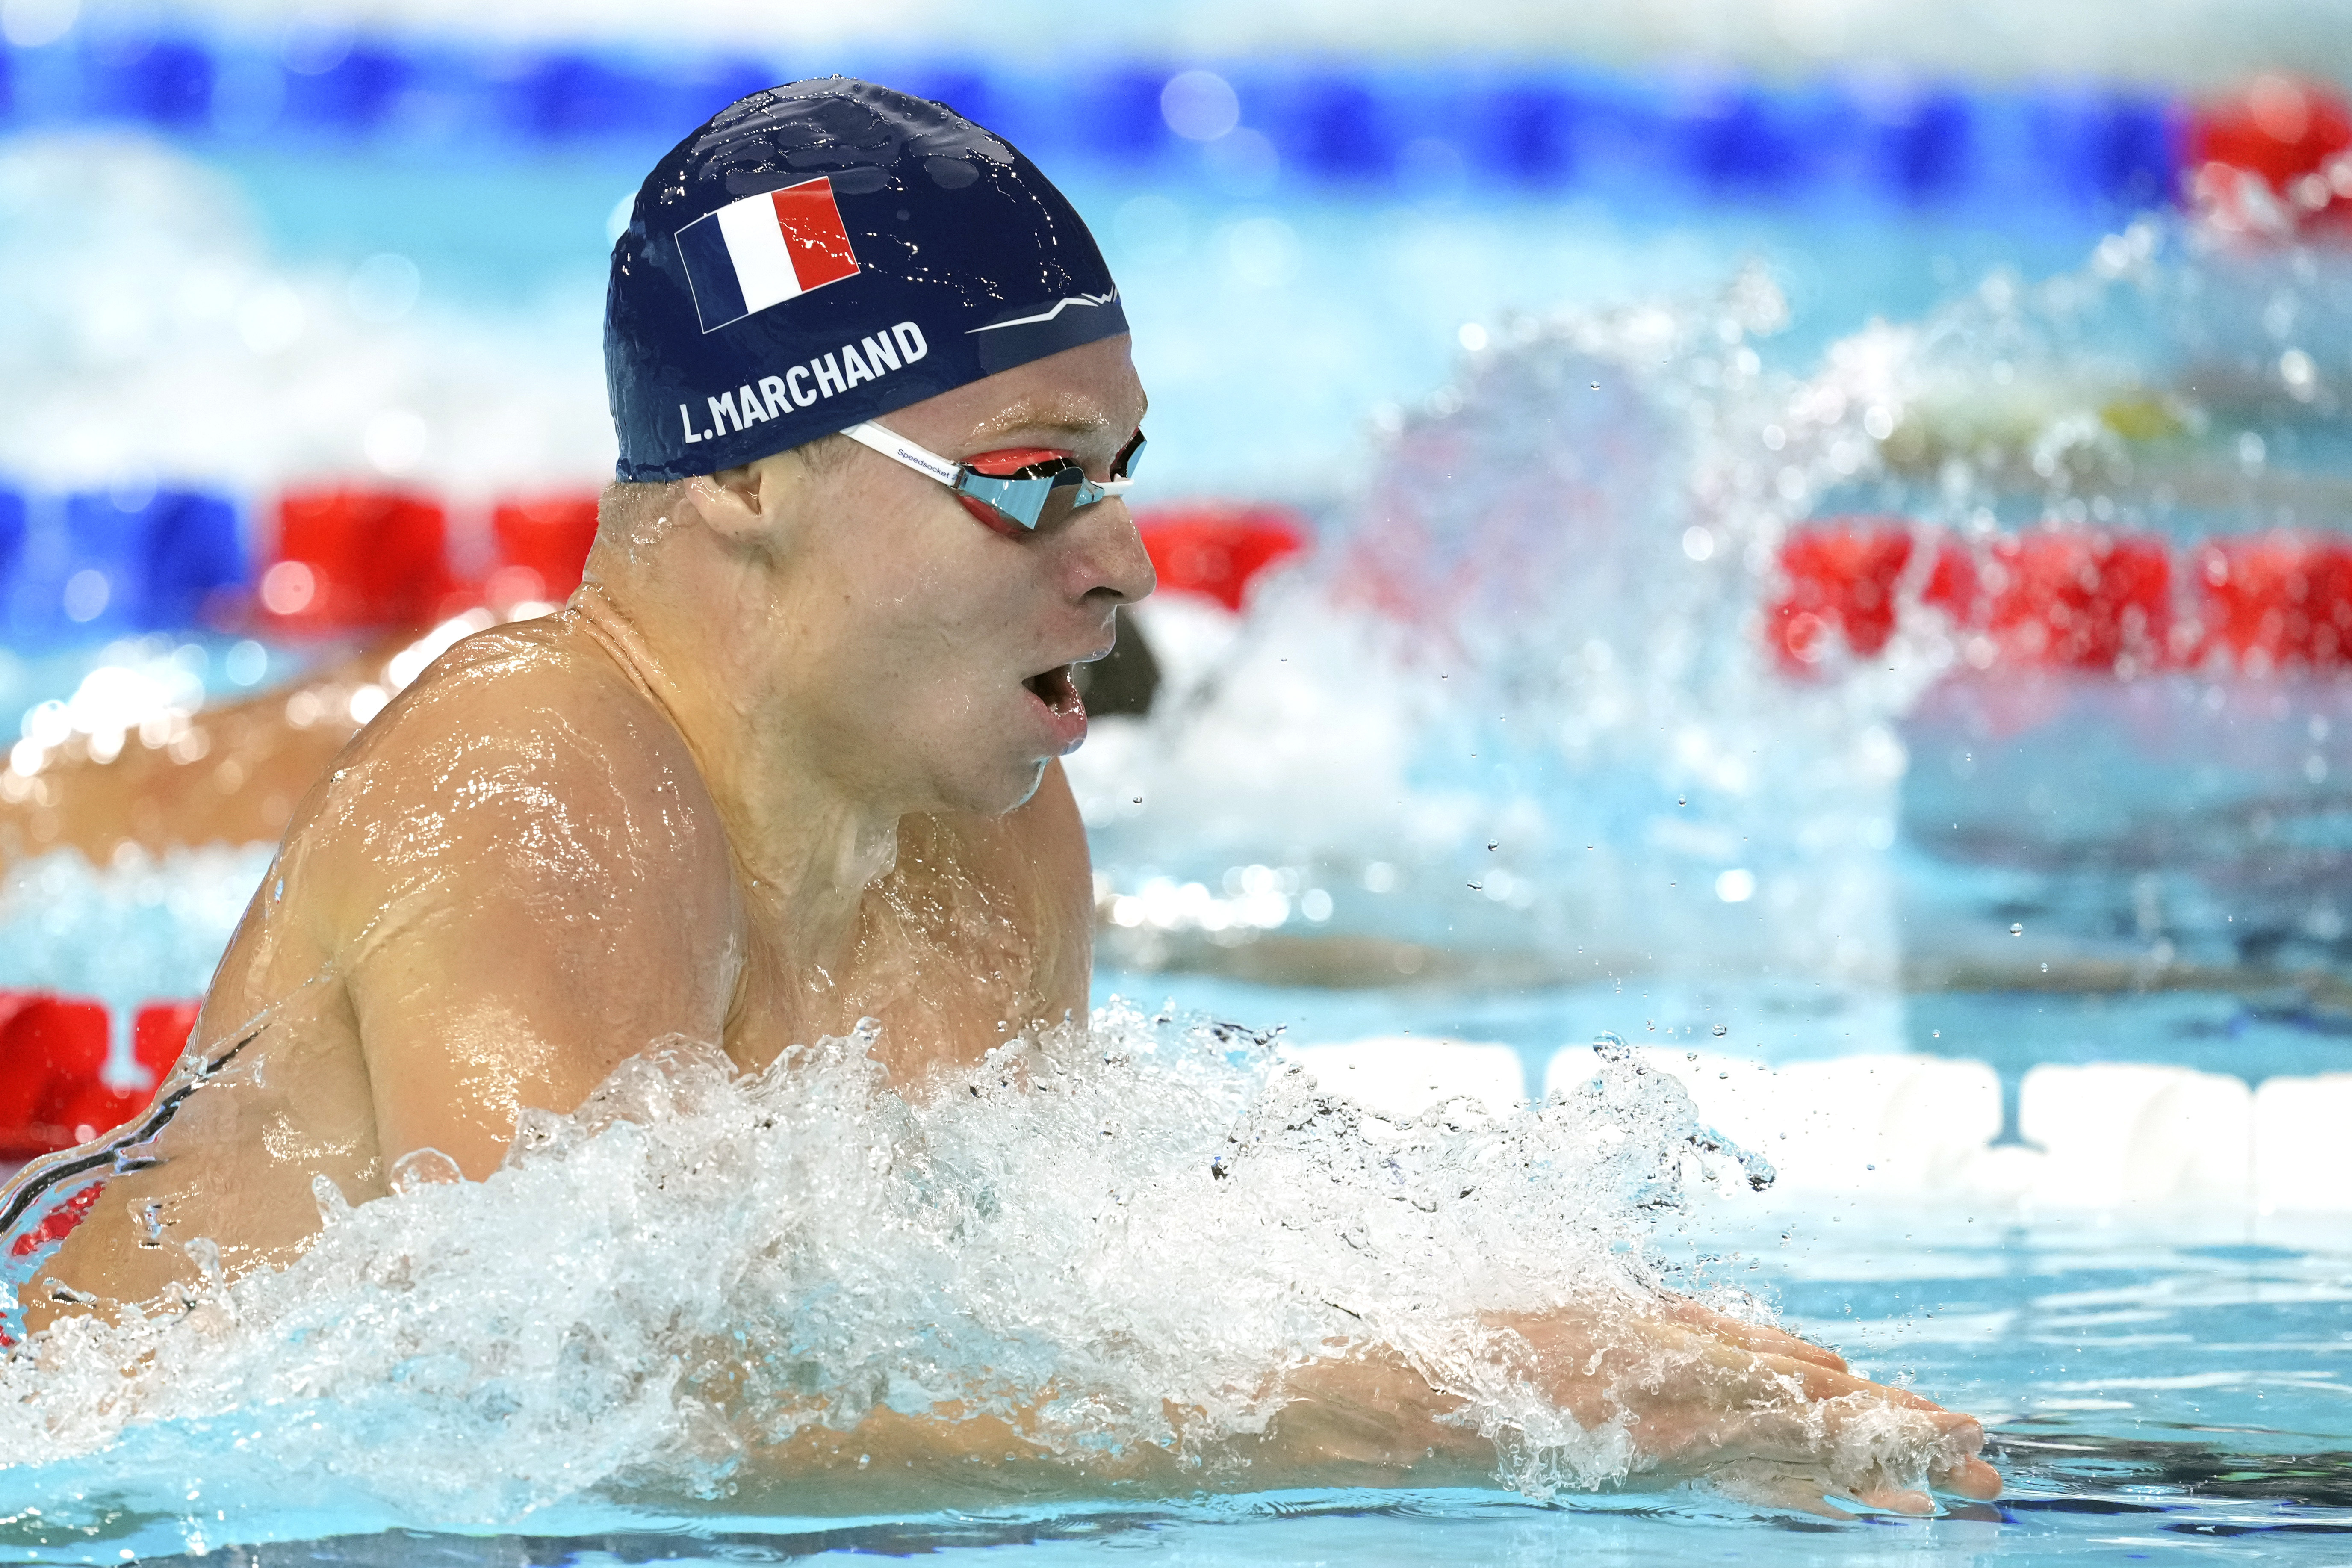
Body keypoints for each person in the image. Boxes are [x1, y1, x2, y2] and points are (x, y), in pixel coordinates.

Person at [1, 78, 1998, 1514]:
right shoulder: (540, 774)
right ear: (746, 483)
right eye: (1038, 474)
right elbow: (564, 1427)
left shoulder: (985, 831)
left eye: (1122, 465)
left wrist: (1573, 1349)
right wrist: (1393, 1418)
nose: (1126, 561)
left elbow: (965, 1349)